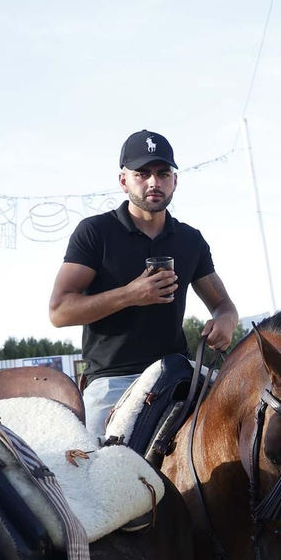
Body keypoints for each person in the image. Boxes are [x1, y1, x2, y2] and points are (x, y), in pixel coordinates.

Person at [50, 129, 238, 437]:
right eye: (143, 173)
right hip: (113, 380)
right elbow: (59, 311)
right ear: (124, 181)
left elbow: (223, 305)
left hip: (178, 372)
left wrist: (226, 322)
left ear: (175, 181)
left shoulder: (190, 240)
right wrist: (129, 294)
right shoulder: (95, 233)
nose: (154, 182)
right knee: (103, 472)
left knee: (251, 419)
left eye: (163, 173)